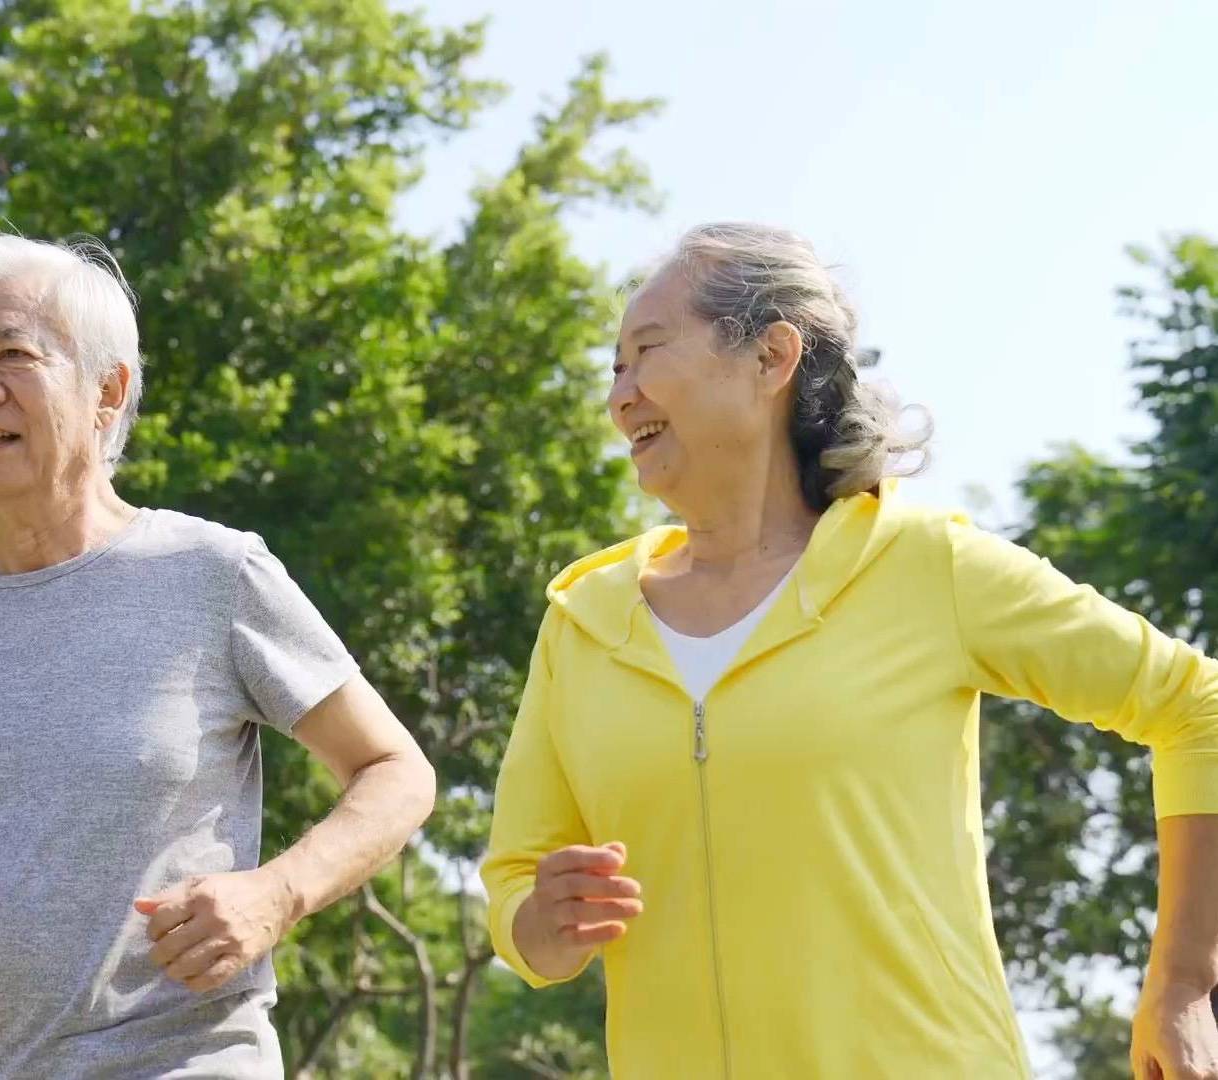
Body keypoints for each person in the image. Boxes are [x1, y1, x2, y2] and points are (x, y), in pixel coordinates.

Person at [481, 222, 1218, 1078]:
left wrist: (1186, 982)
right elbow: (516, 878)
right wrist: (540, 924)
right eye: (613, 370)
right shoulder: (583, 622)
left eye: (646, 352)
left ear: (771, 357)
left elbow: (1195, 706)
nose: (621, 396)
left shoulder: (922, 565)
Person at [0, 231, 436, 1078]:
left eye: (12, 354)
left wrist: (275, 894)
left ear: (108, 390)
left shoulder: (214, 573)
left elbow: (397, 770)